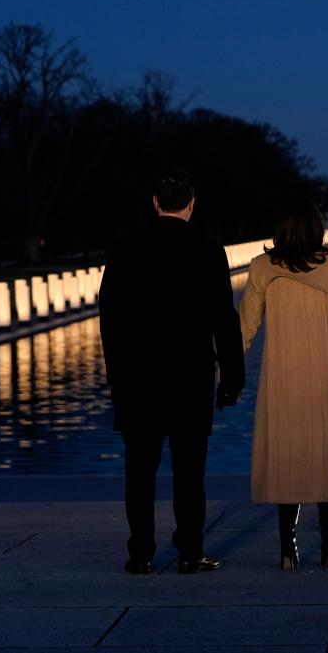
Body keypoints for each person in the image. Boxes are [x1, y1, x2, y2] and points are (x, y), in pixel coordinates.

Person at [99, 169, 245, 575]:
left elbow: (108, 318)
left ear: (156, 203)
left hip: (137, 378)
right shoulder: (209, 252)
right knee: (189, 472)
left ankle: (140, 552)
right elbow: (224, 322)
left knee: (139, 471)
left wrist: (116, 375)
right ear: (191, 205)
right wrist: (233, 380)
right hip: (189, 378)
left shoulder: (125, 249)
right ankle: (190, 552)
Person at [239, 196, 328, 570]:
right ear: (318, 228)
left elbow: (245, 328)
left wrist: (226, 375)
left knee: (288, 460)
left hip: (282, 380)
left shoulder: (263, 268)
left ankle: (287, 549)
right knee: (327, 459)